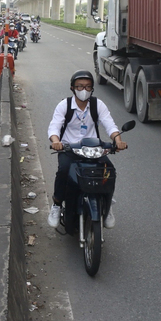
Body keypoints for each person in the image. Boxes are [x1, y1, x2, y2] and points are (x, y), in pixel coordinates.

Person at [46, 70, 127, 229]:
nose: (84, 90)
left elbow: (109, 124)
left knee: (109, 171)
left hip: (93, 149)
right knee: (63, 171)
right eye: (80, 87)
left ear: (92, 89)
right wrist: (56, 141)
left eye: (88, 87)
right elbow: (54, 127)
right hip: (70, 149)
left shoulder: (98, 105)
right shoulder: (65, 105)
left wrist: (118, 141)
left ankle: (107, 205)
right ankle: (56, 205)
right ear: (72, 88)